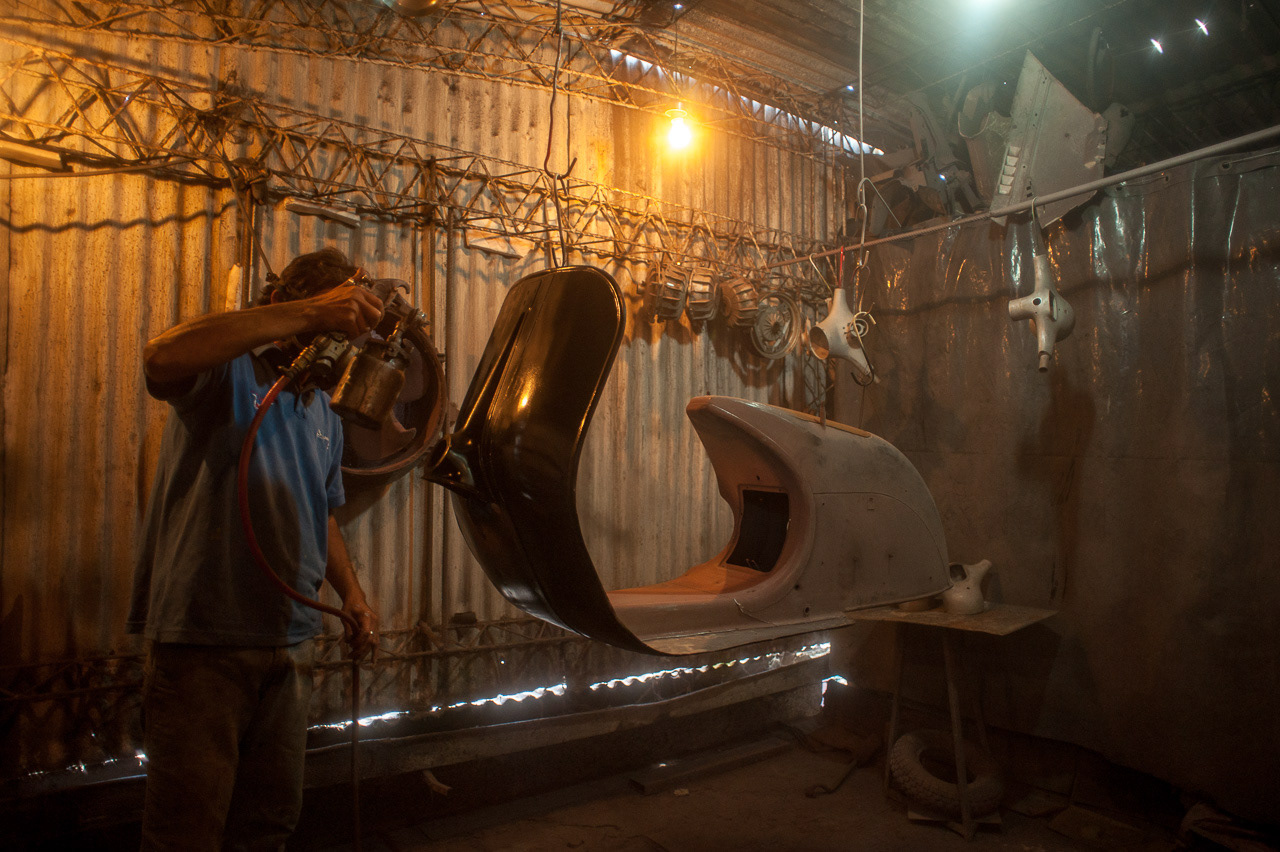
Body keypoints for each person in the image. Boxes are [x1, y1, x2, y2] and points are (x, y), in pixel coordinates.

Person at [128, 247, 385, 851]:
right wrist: (311, 311)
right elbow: (160, 356)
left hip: (290, 642)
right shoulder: (230, 374)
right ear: (285, 307)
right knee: (186, 834)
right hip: (206, 643)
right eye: (328, 327)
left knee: (267, 827)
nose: (335, 347)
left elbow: (322, 512)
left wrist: (351, 593)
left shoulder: (322, 413)